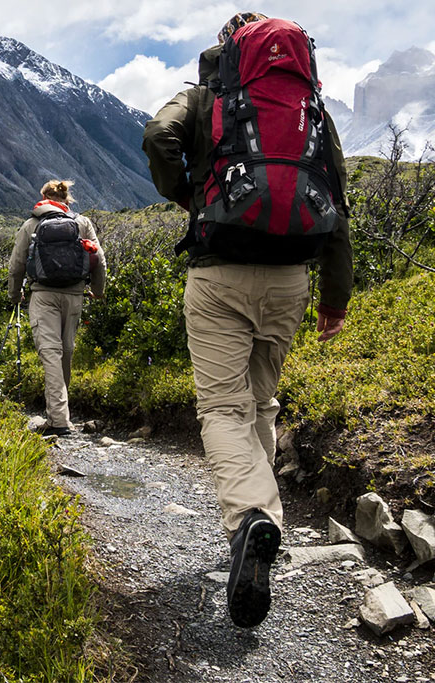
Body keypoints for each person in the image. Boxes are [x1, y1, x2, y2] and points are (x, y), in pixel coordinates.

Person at [142, 13, 353, 627]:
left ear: (228, 50)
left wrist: (184, 193)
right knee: (261, 403)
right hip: (291, 278)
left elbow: (158, 136)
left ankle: (251, 519)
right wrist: (334, 300)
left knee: (222, 409)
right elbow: (337, 200)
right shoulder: (311, 110)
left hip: (219, 273)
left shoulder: (208, 97)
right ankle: (261, 523)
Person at [8, 180, 106, 437]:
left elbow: (16, 265)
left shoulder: (31, 224)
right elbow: (100, 259)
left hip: (43, 296)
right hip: (74, 295)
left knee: (50, 353)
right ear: (67, 199)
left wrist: (15, 294)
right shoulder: (82, 223)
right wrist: (98, 290)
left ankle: (59, 420)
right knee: (66, 351)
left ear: (43, 198)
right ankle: (61, 413)